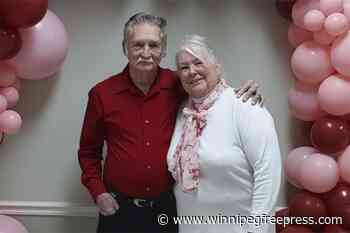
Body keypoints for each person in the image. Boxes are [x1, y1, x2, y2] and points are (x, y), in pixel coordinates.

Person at [78, 12, 263, 233]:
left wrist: (244, 93)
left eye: (153, 45)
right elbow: (88, 152)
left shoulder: (179, 83)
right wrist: (98, 192)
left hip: (166, 210)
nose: (146, 53)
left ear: (163, 50)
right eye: (138, 45)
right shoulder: (102, 94)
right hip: (119, 210)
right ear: (125, 48)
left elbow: (212, 89)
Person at [167, 35, 282, 233]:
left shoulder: (245, 105)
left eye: (198, 62)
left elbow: (268, 174)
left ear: (217, 67)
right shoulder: (182, 113)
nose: (191, 71)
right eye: (184, 67)